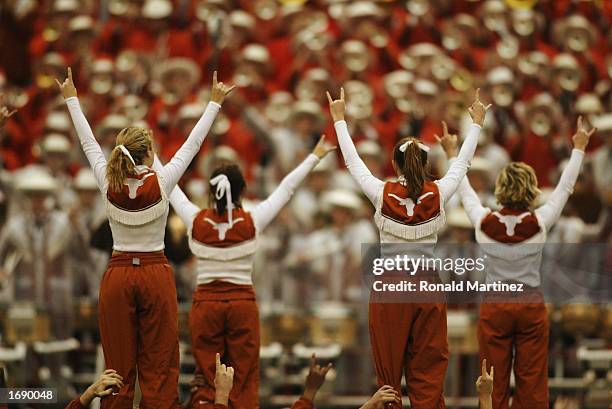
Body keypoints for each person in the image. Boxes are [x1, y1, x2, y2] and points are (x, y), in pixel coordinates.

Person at [55, 67, 235, 409]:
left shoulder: (107, 181)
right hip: (155, 271)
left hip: (118, 273)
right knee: (160, 365)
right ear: (149, 153)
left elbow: (88, 142)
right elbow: (192, 144)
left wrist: (71, 98)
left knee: (117, 367)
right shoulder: (163, 179)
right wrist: (214, 103)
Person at [327, 87, 490, 408]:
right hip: (427, 283)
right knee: (428, 374)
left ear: (394, 163)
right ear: (426, 163)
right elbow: (463, 165)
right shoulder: (439, 191)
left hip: (391, 284)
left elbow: (353, 162)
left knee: (388, 378)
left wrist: (339, 120)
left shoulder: (379, 191)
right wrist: (476, 125)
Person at [167, 135, 336, 409]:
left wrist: (153, 161)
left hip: (206, 303)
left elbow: (170, 186)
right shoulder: (253, 219)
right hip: (242, 303)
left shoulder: (196, 220)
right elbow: (286, 189)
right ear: (242, 190)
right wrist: (314, 156)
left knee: (209, 373)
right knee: (243, 374)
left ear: (212, 192)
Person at [442, 117, 596, 409]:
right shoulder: (540, 221)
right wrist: (578, 149)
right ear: (532, 190)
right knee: (532, 381)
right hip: (529, 303)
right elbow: (564, 188)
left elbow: (464, 190)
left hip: (495, 304)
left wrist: (452, 153)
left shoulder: (483, 221)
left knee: (492, 380)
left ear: (500, 188)